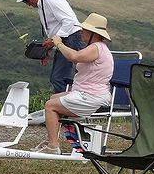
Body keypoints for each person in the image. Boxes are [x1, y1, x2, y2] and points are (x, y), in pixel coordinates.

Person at [32, 13, 113, 154]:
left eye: (85, 30)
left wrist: (58, 43)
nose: (82, 32)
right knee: (53, 99)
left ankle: (52, 146)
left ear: (93, 33)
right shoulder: (98, 47)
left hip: (91, 97)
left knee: (50, 106)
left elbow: (73, 57)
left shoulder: (96, 48)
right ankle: (53, 139)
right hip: (90, 94)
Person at [17, 0, 86, 93]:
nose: (28, 4)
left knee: (59, 77)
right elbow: (53, 29)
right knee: (60, 77)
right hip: (65, 39)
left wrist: (54, 42)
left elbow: (69, 21)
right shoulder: (42, 3)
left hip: (72, 37)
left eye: (27, 0)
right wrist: (48, 50)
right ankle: (67, 101)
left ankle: (64, 105)